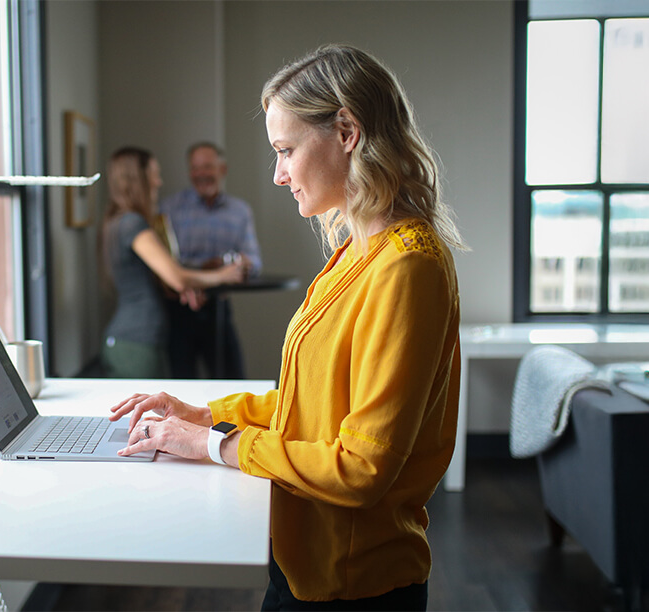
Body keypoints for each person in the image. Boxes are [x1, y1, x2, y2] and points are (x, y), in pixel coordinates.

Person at [108, 44, 466, 611]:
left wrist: (216, 445)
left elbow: (362, 468)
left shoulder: (407, 266)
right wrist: (206, 416)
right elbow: (315, 404)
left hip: (354, 585)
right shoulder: (357, 252)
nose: (278, 175)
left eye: (286, 150)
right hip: (303, 561)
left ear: (346, 131)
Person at [99, 146, 245, 379]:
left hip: (133, 340)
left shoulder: (119, 221)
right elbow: (177, 277)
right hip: (136, 341)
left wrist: (186, 288)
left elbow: (160, 280)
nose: (159, 182)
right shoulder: (133, 224)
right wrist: (223, 275)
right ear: (138, 179)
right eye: (154, 175)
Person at [159, 142, 263, 379]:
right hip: (179, 310)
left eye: (207, 167)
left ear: (222, 169)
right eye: (195, 168)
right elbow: (165, 264)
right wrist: (205, 269)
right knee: (181, 385)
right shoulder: (169, 208)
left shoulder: (240, 211)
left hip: (219, 309)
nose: (201, 174)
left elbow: (255, 262)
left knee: (234, 381)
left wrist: (240, 265)